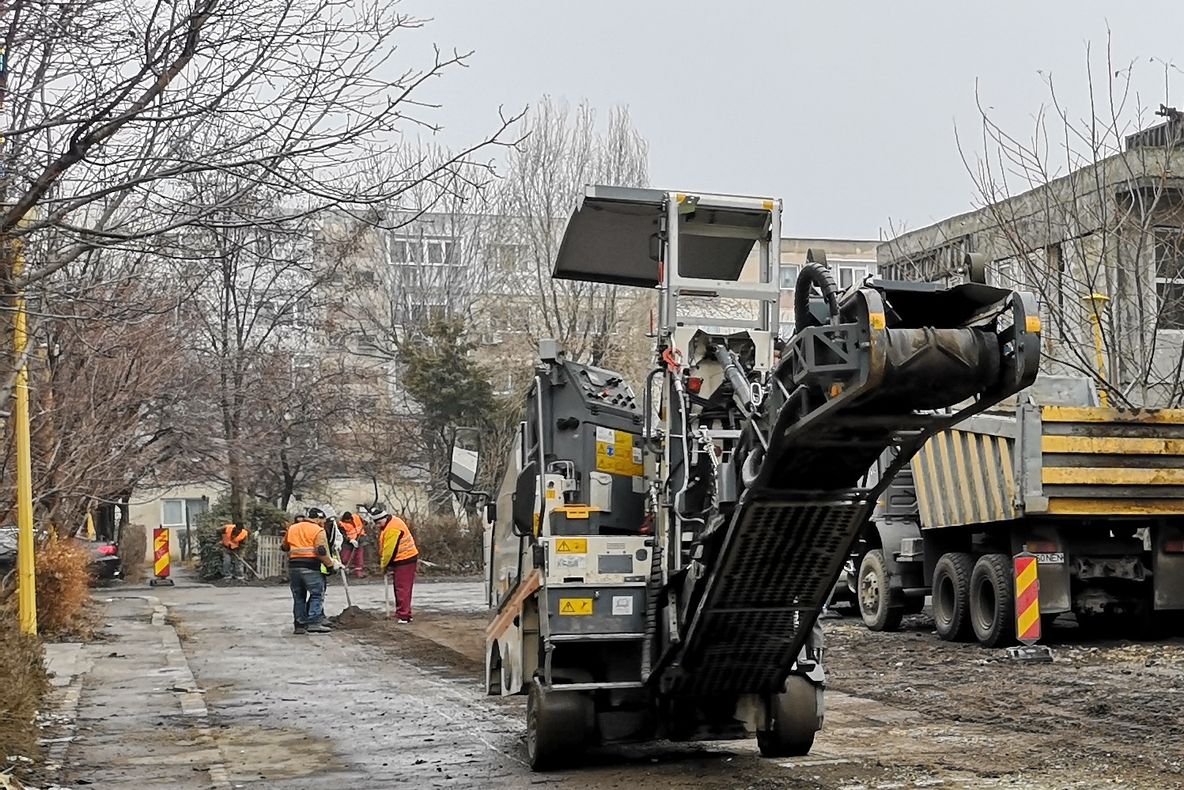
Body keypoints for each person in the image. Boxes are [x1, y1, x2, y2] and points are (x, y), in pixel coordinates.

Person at [282, 507, 340, 634]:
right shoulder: (318, 530)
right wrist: (330, 566)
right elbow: (321, 550)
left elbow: (284, 546)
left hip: (293, 567)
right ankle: (314, 622)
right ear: (318, 518)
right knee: (317, 594)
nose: (323, 523)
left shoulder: (293, 527)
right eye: (323, 521)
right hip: (310, 567)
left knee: (299, 596)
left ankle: (299, 625)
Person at [373, 505, 418, 623]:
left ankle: (404, 615)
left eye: (378, 523)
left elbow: (389, 551)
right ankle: (404, 613)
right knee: (402, 588)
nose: (378, 526)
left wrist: (384, 565)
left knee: (402, 588)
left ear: (383, 519)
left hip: (405, 559)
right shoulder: (392, 522)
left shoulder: (392, 528)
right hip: (403, 559)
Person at [337, 511, 367, 578]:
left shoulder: (356, 517)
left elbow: (364, 523)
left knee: (359, 557)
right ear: (344, 519)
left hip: (359, 540)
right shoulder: (341, 524)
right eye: (347, 520)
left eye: (350, 519)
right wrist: (350, 540)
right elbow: (342, 535)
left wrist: (365, 521)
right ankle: (345, 570)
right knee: (345, 557)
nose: (349, 521)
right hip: (348, 543)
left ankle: (359, 572)